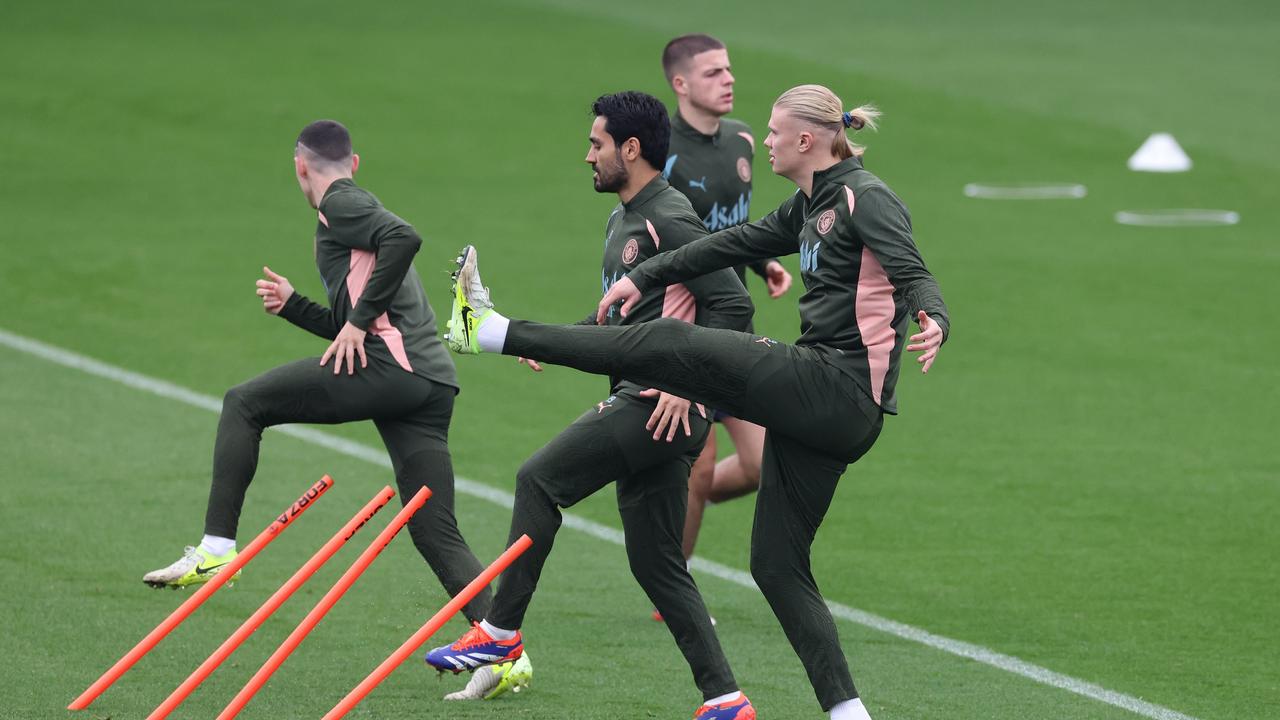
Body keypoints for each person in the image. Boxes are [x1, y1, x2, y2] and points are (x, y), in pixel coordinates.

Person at [444, 85, 949, 720]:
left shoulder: (862, 196)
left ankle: (488, 330)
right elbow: (728, 245)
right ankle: (847, 714)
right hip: (828, 409)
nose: (762, 139)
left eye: (772, 131)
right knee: (775, 565)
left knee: (669, 342)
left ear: (805, 139)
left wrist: (933, 315)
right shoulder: (807, 205)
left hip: (839, 387)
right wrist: (644, 275)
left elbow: (913, 270)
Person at [141, 120, 530, 697]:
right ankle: (503, 650)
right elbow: (357, 324)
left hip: (391, 370)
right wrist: (295, 306)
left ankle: (217, 550)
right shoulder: (352, 205)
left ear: (301, 166)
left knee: (244, 404)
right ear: (356, 160)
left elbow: (405, 239)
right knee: (432, 527)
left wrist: (350, 322)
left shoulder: (341, 203)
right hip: (427, 385)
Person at [424, 91, 758, 720]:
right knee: (658, 565)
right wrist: (563, 340)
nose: (588, 157)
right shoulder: (623, 218)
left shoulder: (671, 218)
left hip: (657, 407)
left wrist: (693, 391)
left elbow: (734, 306)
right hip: (648, 405)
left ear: (631, 150)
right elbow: (627, 317)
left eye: (597, 144)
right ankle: (726, 700)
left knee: (538, 480)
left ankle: (499, 635)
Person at [660, 33, 793, 604]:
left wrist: (761, 262)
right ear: (681, 84)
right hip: (686, 329)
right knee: (698, 464)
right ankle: (674, 593)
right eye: (713, 72)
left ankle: (680, 506)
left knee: (767, 463)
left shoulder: (741, 138)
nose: (728, 79)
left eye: (729, 69)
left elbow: (728, 227)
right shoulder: (661, 151)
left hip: (733, 326)